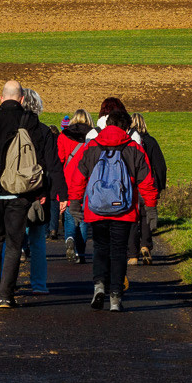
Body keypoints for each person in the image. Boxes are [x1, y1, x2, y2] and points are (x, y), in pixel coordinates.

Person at [0, 80, 63, 309]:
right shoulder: (32, 123)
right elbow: (44, 161)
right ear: (21, 99)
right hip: (18, 193)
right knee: (13, 243)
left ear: (1, 98)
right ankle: (6, 295)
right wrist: (47, 191)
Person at [66, 96, 157, 312]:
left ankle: (99, 286)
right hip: (124, 210)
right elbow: (147, 182)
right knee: (118, 251)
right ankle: (115, 297)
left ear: (106, 124)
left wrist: (75, 204)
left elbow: (78, 177)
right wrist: (151, 209)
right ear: (126, 128)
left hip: (96, 209)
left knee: (99, 247)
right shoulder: (134, 148)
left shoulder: (92, 146)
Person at [18, 87, 61, 295]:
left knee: (10, 240)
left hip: (13, 190)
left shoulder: (12, 130)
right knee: (37, 241)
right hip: (37, 191)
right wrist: (58, 193)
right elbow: (53, 165)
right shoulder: (44, 132)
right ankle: (39, 284)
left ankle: (4, 283)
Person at [129, 113, 167, 264]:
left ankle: (132, 253)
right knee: (146, 216)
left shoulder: (129, 143)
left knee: (132, 217)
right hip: (148, 185)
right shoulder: (151, 142)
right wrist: (160, 186)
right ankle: (145, 245)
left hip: (132, 185)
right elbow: (161, 167)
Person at [56, 108, 92, 263]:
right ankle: (80, 253)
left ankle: (69, 238)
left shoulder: (64, 136)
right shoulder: (93, 136)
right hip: (87, 181)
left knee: (70, 218)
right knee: (83, 219)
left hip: (68, 181)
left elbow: (59, 160)